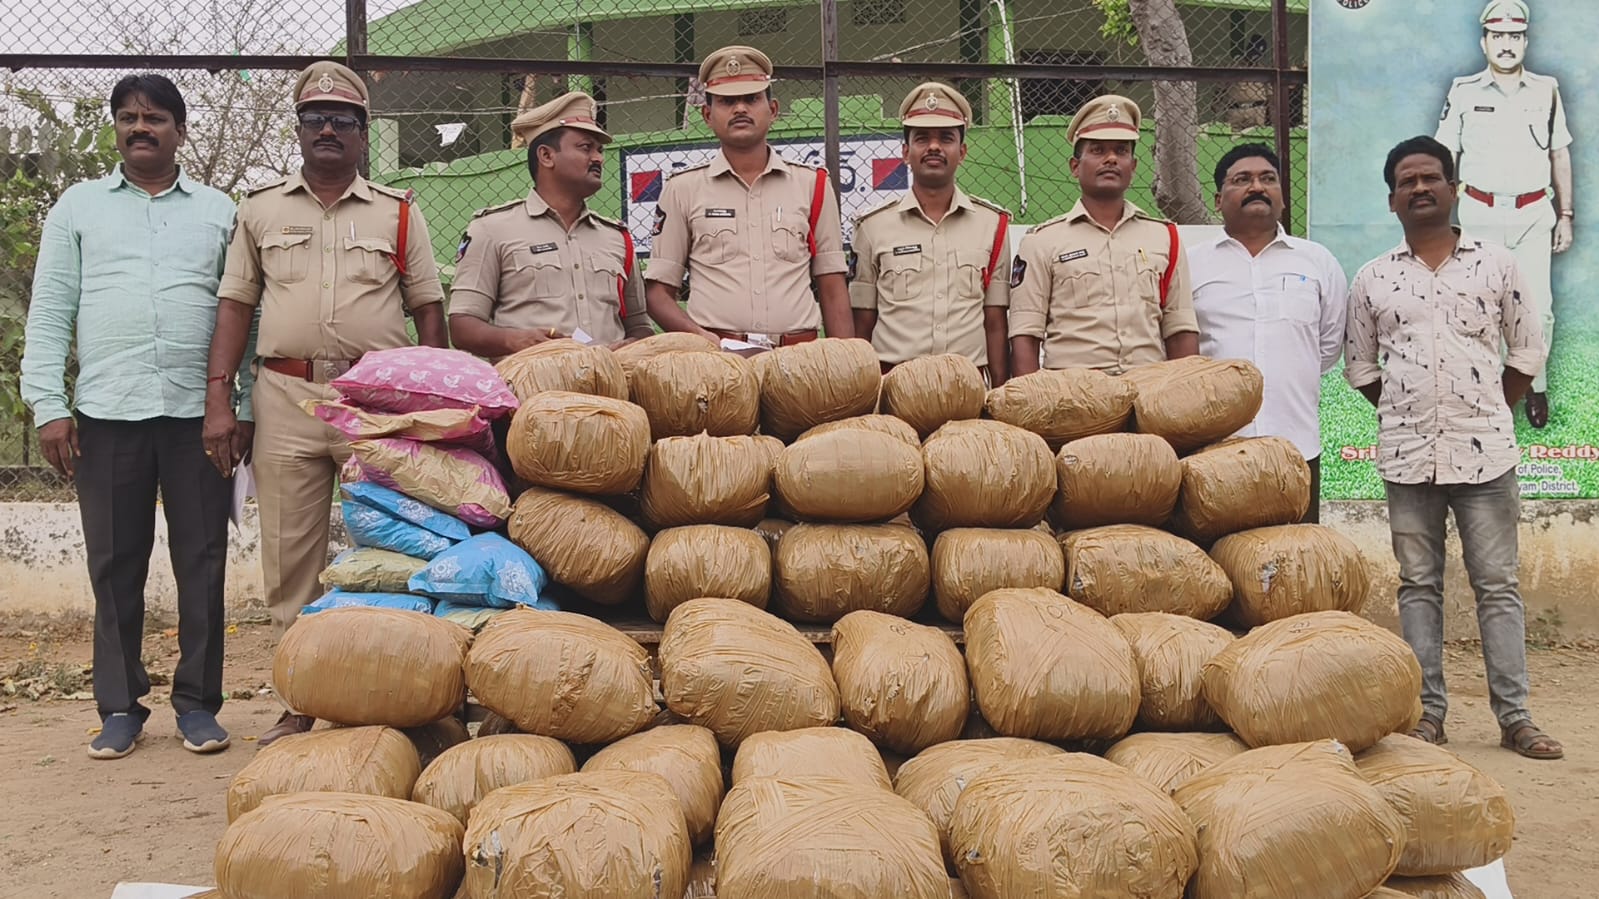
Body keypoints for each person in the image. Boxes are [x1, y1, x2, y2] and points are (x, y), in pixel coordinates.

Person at [200, 61, 448, 746]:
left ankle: (410, 691)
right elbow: (234, 307)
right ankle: (299, 697)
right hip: (284, 394)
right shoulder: (260, 209)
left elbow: (429, 312)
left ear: (365, 133)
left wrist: (429, 405)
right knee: (291, 557)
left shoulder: (400, 212)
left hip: (377, 399)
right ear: (300, 129)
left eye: (344, 119)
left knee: (403, 542)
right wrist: (220, 400)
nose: (330, 128)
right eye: (317, 118)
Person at [20, 74, 238, 760]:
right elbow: (51, 311)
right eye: (128, 118)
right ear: (117, 128)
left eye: (155, 118)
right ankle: (119, 706)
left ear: (181, 129)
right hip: (107, 413)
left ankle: (199, 704)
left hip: (196, 416)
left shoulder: (218, 211)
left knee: (202, 558)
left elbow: (243, 316)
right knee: (115, 561)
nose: (140, 127)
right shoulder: (79, 207)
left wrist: (239, 404)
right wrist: (50, 406)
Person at [1345, 135, 1561, 760]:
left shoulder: (1495, 265)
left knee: (1497, 585)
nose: (1419, 188)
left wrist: (1486, 408)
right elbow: (1360, 367)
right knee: (1418, 585)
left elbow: (1524, 350)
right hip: (1408, 457)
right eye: (1407, 181)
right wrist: (1410, 411)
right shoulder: (1374, 278)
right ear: (1392, 199)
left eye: (1430, 178)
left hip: (1487, 456)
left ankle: (1516, 718)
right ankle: (1426, 716)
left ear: (1453, 188)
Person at [645, 45, 854, 348]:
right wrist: (702, 340)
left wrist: (843, 363)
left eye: (752, 99)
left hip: (799, 361)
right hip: (719, 361)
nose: (740, 109)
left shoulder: (813, 184)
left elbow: (833, 287)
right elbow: (657, 293)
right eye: (727, 101)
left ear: (773, 110)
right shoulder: (682, 189)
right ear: (707, 115)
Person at [1188, 143, 1347, 523]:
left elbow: (1326, 348)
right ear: (1217, 199)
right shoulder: (1191, 264)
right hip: (1214, 452)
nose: (1256, 187)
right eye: (1242, 180)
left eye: (1268, 179)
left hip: (1296, 447)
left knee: (1298, 568)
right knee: (1217, 569)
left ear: (1282, 197)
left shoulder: (1317, 261)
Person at [1435, 0, 1571, 428]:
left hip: (1533, 214)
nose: (1507, 44)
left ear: (1525, 41)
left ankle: (1532, 384)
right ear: (1485, 42)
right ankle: (1486, 391)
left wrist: (1565, 212)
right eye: (1499, 36)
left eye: (1515, 36)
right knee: (1479, 306)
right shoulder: (1463, 90)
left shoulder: (1547, 89)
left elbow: (1559, 152)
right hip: (1479, 210)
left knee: (1539, 310)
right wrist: (1440, 215)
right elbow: (1444, 153)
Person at [448, 90, 652, 358]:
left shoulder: (616, 237)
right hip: (532, 391)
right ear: (546, 156)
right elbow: (462, 327)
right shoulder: (492, 229)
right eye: (585, 147)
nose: (599, 158)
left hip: (610, 391)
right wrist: (517, 340)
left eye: (600, 150)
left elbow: (639, 326)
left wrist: (630, 348)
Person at [1008, 94, 1198, 376]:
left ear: (1132, 167)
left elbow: (1179, 327)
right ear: (1075, 167)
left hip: (1146, 394)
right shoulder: (1042, 242)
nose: (1110, 159)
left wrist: (1183, 396)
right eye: (1097, 150)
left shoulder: (1164, 238)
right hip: (1074, 398)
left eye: (1121, 151)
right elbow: (1025, 333)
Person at [848, 82, 1012, 384]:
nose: (934, 147)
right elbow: (863, 321)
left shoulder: (992, 225)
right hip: (894, 383)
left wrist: (1000, 394)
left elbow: (995, 321)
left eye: (946, 138)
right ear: (906, 152)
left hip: (968, 384)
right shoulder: (872, 227)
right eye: (922, 138)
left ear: (962, 152)